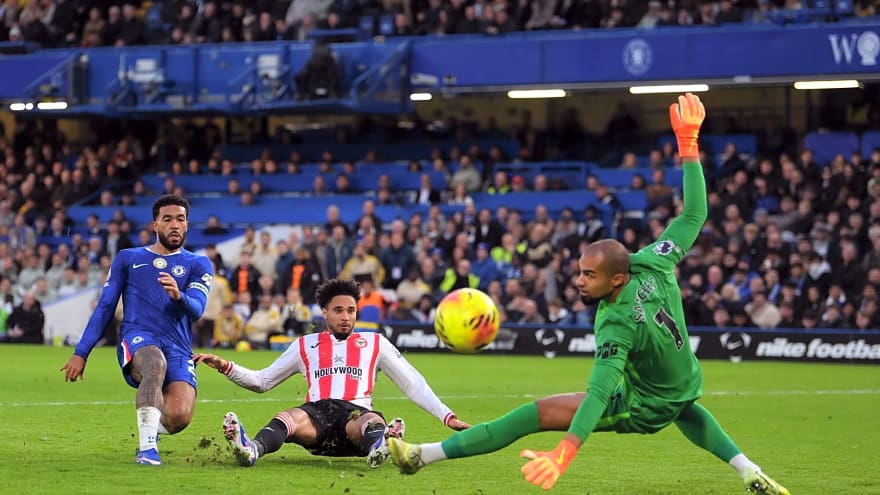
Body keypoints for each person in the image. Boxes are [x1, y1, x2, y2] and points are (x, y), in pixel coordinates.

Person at [387, 94, 790, 495]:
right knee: (684, 409)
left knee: (526, 417)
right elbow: (693, 215)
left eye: (589, 275)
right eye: (580, 271)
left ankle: (422, 455)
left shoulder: (615, 322)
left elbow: (598, 394)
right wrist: (689, 145)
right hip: (684, 381)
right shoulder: (653, 261)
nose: (579, 281)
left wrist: (566, 450)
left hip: (642, 404)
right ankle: (749, 469)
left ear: (616, 280)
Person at [193, 278, 470, 469]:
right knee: (288, 417)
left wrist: (446, 416)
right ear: (324, 312)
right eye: (338, 310)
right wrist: (226, 367)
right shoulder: (306, 345)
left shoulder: (375, 343)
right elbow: (262, 381)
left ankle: (378, 446)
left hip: (355, 417)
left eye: (351, 310)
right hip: (317, 420)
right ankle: (251, 450)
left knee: (369, 419)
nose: (346, 316)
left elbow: (412, 384)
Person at [60, 194, 214, 466]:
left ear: (187, 224)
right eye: (167, 219)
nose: (174, 225)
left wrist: (179, 296)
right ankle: (147, 450)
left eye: (180, 219)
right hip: (138, 336)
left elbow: (197, 309)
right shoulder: (128, 258)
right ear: (155, 224)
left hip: (178, 346)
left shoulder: (198, 264)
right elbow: (105, 306)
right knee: (154, 364)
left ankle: (152, 428)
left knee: (179, 416)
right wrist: (81, 352)